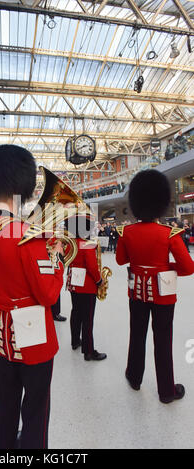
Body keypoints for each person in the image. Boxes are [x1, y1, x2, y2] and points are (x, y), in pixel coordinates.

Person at [0, 144, 64, 449]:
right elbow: (48, 294)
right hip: (34, 338)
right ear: (18, 189)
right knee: (36, 410)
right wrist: (58, 259)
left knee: (6, 402)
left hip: (2, 334)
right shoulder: (26, 235)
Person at [116, 169, 194, 404]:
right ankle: (166, 391)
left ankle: (134, 376)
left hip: (136, 293)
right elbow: (188, 267)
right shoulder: (169, 233)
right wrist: (164, 267)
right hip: (163, 296)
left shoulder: (126, 232)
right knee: (163, 340)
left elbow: (120, 260)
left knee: (137, 335)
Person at [66, 218, 107, 361]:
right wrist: (99, 280)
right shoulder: (86, 244)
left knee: (75, 312)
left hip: (73, 283)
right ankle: (89, 351)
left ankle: (75, 341)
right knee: (88, 318)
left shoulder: (70, 244)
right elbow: (91, 266)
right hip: (87, 285)